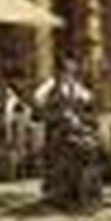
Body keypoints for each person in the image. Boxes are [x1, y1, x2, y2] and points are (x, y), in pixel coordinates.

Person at [34, 57, 99, 209]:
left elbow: (87, 98)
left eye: (72, 70)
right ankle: (58, 191)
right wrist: (55, 112)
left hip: (74, 126)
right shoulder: (50, 85)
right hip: (57, 127)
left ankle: (81, 186)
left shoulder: (75, 86)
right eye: (67, 70)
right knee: (58, 156)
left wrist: (85, 109)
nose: (69, 73)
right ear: (60, 71)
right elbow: (38, 99)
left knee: (85, 144)